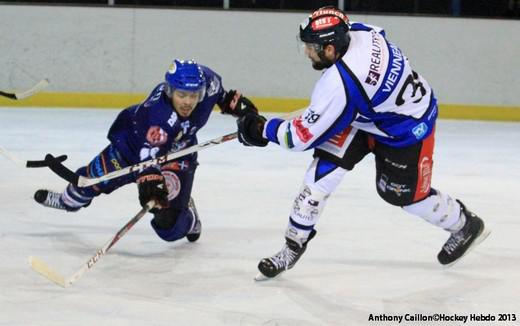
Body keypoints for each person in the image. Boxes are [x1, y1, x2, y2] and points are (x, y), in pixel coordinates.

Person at [236, 6, 490, 279]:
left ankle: (464, 224)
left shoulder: (341, 86)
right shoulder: (359, 31)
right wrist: (329, 108)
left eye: (312, 47)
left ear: (332, 49)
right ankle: (293, 245)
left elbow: (297, 138)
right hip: (367, 116)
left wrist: (261, 129)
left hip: (406, 130)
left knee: (403, 196)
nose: (308, 52)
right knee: (318, 180)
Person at [35, 59, 258, 243]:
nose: (188, 102)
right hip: (131, 149)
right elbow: (148, 158)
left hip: (177, 154)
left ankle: (189, 217)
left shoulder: (208, 82)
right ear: (170, 90)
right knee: (89, 181)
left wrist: (248, 117)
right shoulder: (158, 116)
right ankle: (67, 201)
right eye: (182, 95)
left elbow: (224, 98)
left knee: (168, 225)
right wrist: (150, 182)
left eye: (193, 96)